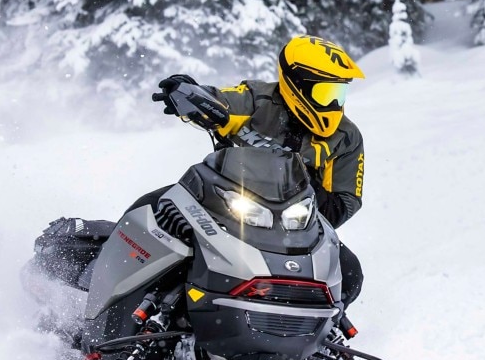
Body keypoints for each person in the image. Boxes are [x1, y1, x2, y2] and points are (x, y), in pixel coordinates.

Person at [146, 35, 367, 307]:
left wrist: (301, 194)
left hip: (295, 227)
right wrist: (187, 93)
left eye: (338, 94)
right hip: (224, 204)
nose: (334, 104)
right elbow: (219, 101)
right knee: (151, 210)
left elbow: (346, 199)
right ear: (297, 85)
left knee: (349, 273)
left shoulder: (346, 137)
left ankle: (327, 325)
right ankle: (127, 295)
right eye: (326, 94)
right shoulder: (257, 100)